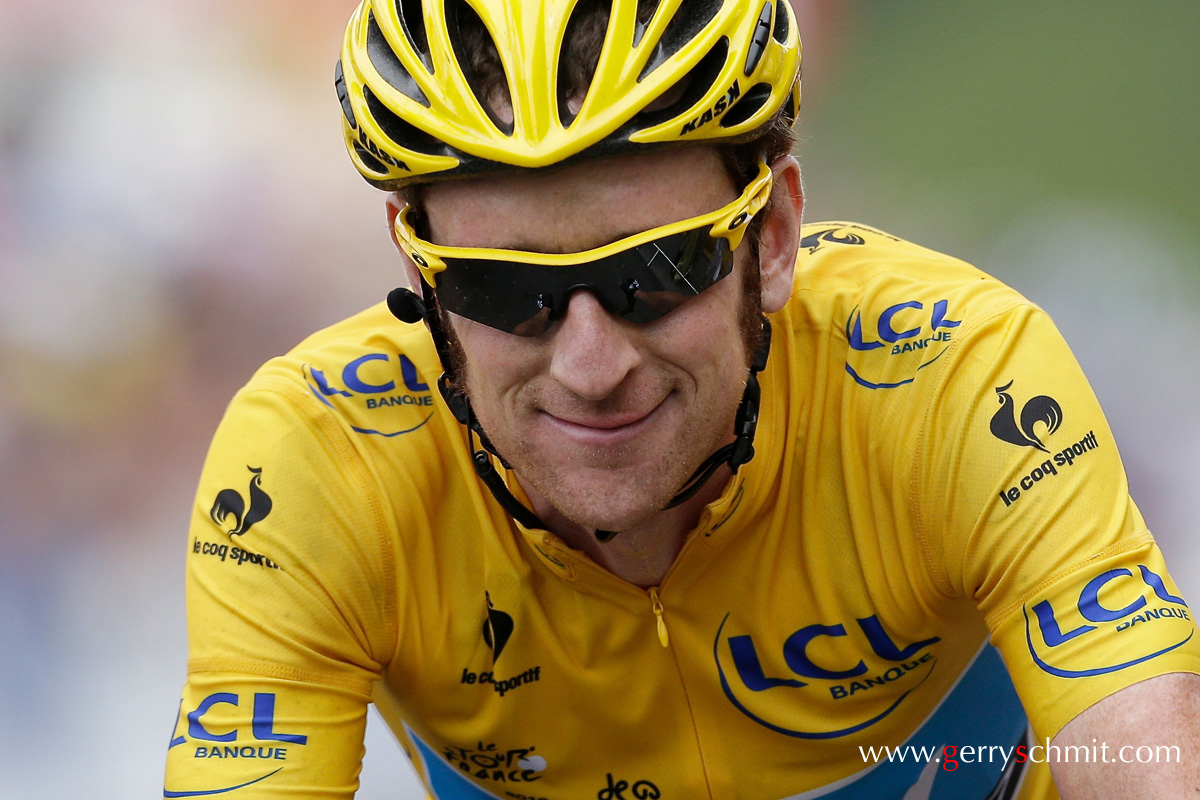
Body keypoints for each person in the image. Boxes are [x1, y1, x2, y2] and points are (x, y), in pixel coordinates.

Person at [163, 1, 1200, 798]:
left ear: (777, 234)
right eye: (501, 287)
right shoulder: (316, 459)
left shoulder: (949, 371)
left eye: (654, 272)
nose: (589, 362)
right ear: (419, 270)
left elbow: (1147, 743)